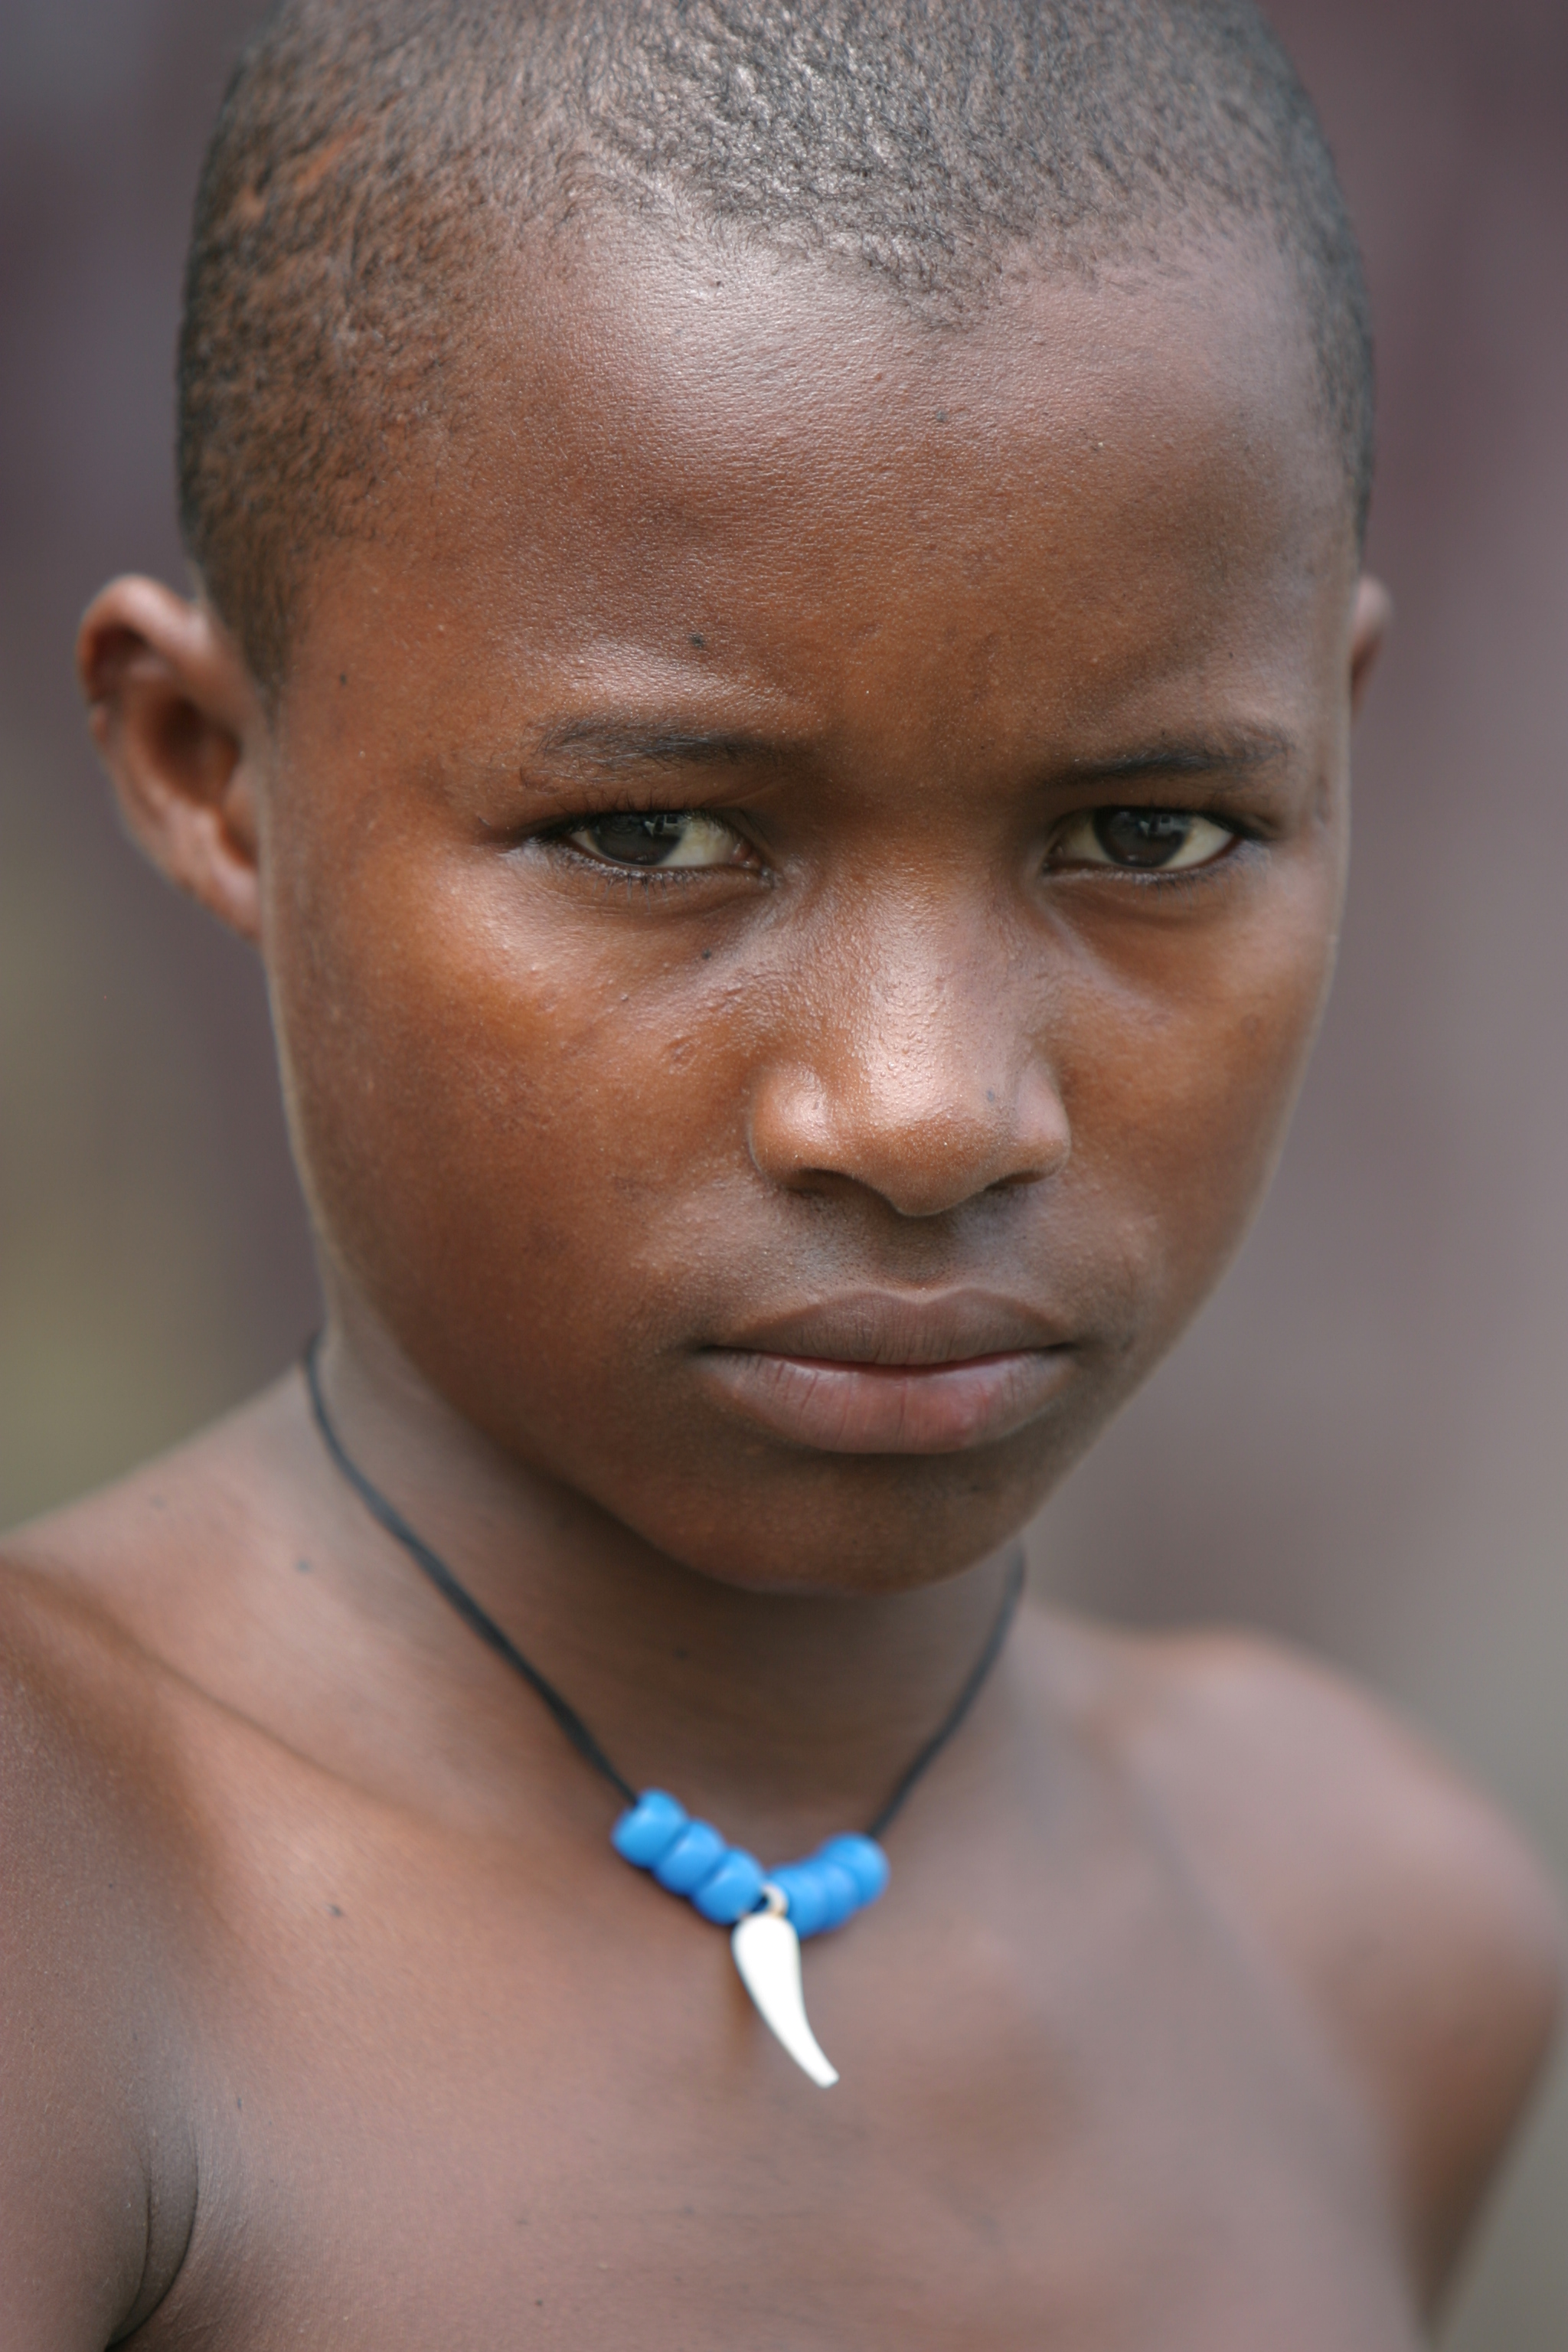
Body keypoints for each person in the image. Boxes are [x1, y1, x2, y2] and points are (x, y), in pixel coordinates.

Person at [4, 0, 1560, 2341]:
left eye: (1150, 832)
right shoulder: (79, 1903)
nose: (931, 1111)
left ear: (1330, 759)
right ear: (215, 771)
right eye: (652, 835)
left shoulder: (1369, 1933)